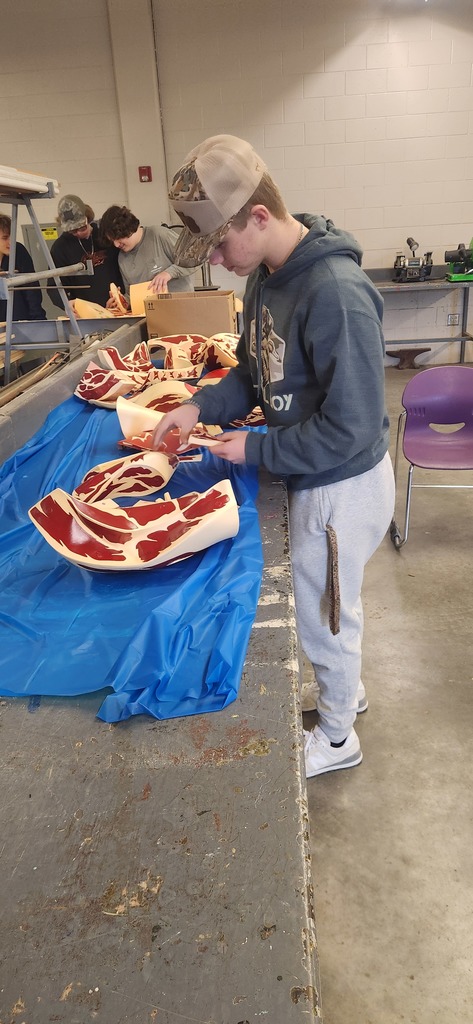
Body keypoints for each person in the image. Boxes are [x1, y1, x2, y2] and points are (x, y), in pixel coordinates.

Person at [151, 134, 395, 778]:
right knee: (328, 611)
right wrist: (199, 407)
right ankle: (348, 690)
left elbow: (352, 425)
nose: (220, 263)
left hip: (343, 482)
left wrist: (261, 448)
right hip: (311, 468)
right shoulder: (267, 277)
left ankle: (340, 738)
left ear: (258, 216)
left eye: (221, 245)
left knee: (327, 614)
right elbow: (252, 375)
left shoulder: (335, 294)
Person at [99, 205, 199, 311]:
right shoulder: (122, 258)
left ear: (128, 229)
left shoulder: (159, 235)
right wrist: (121, 301)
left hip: (182, 310)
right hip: (151, 315)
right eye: (112, 241)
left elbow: (195, 259)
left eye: (118, 238)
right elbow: (131, 294)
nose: (116, 245)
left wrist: (169, 273)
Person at [48, 195, 123, 310]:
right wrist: (67, 303)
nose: (78, 233)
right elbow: (54, 286)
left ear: (88, 218)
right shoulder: (60, 248)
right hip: (86, 312)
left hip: (117, 304)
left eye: (82, 228)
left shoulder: (105, 235)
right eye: (73, 231)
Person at [0, 213, 46, 321]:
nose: (10, 242)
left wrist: (38, 320)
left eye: (11, 237)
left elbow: (32, 289)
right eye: (5, 238)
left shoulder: (18, 251)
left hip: (20, 319)